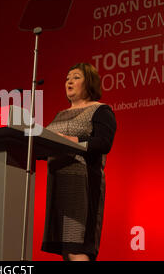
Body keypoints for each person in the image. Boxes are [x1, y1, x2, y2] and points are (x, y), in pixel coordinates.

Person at [41, 62, 117, 261]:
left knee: (77, 249)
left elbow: (103, 142)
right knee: (66, 250)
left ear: (89, 82)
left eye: (75, 77)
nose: (69, 81)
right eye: (67, 78)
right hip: (59, 185)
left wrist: (72, 140)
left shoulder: (101, 110)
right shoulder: (60, 115)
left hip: (81, 185)